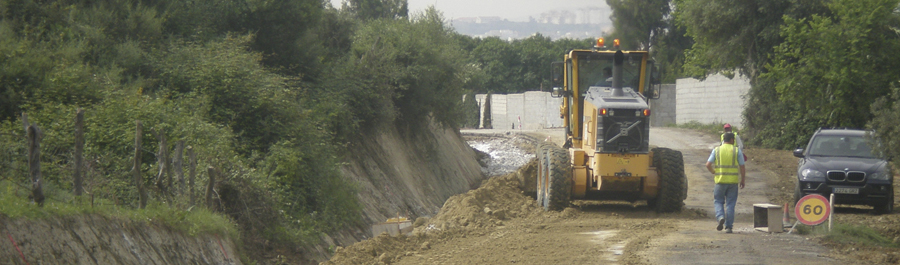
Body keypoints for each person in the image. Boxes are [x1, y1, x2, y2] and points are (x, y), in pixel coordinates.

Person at [706, 132, 746, 234]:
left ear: (724, 140)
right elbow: (742, 166)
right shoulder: (736, 151)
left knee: (718, 201)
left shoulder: (717, 150)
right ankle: (729, 227)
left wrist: (714, 172)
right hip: (732, 182)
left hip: (720, 181)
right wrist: (742, 180)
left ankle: (720, 217)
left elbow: (708, 164)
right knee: (730, 204)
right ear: (732, 140)